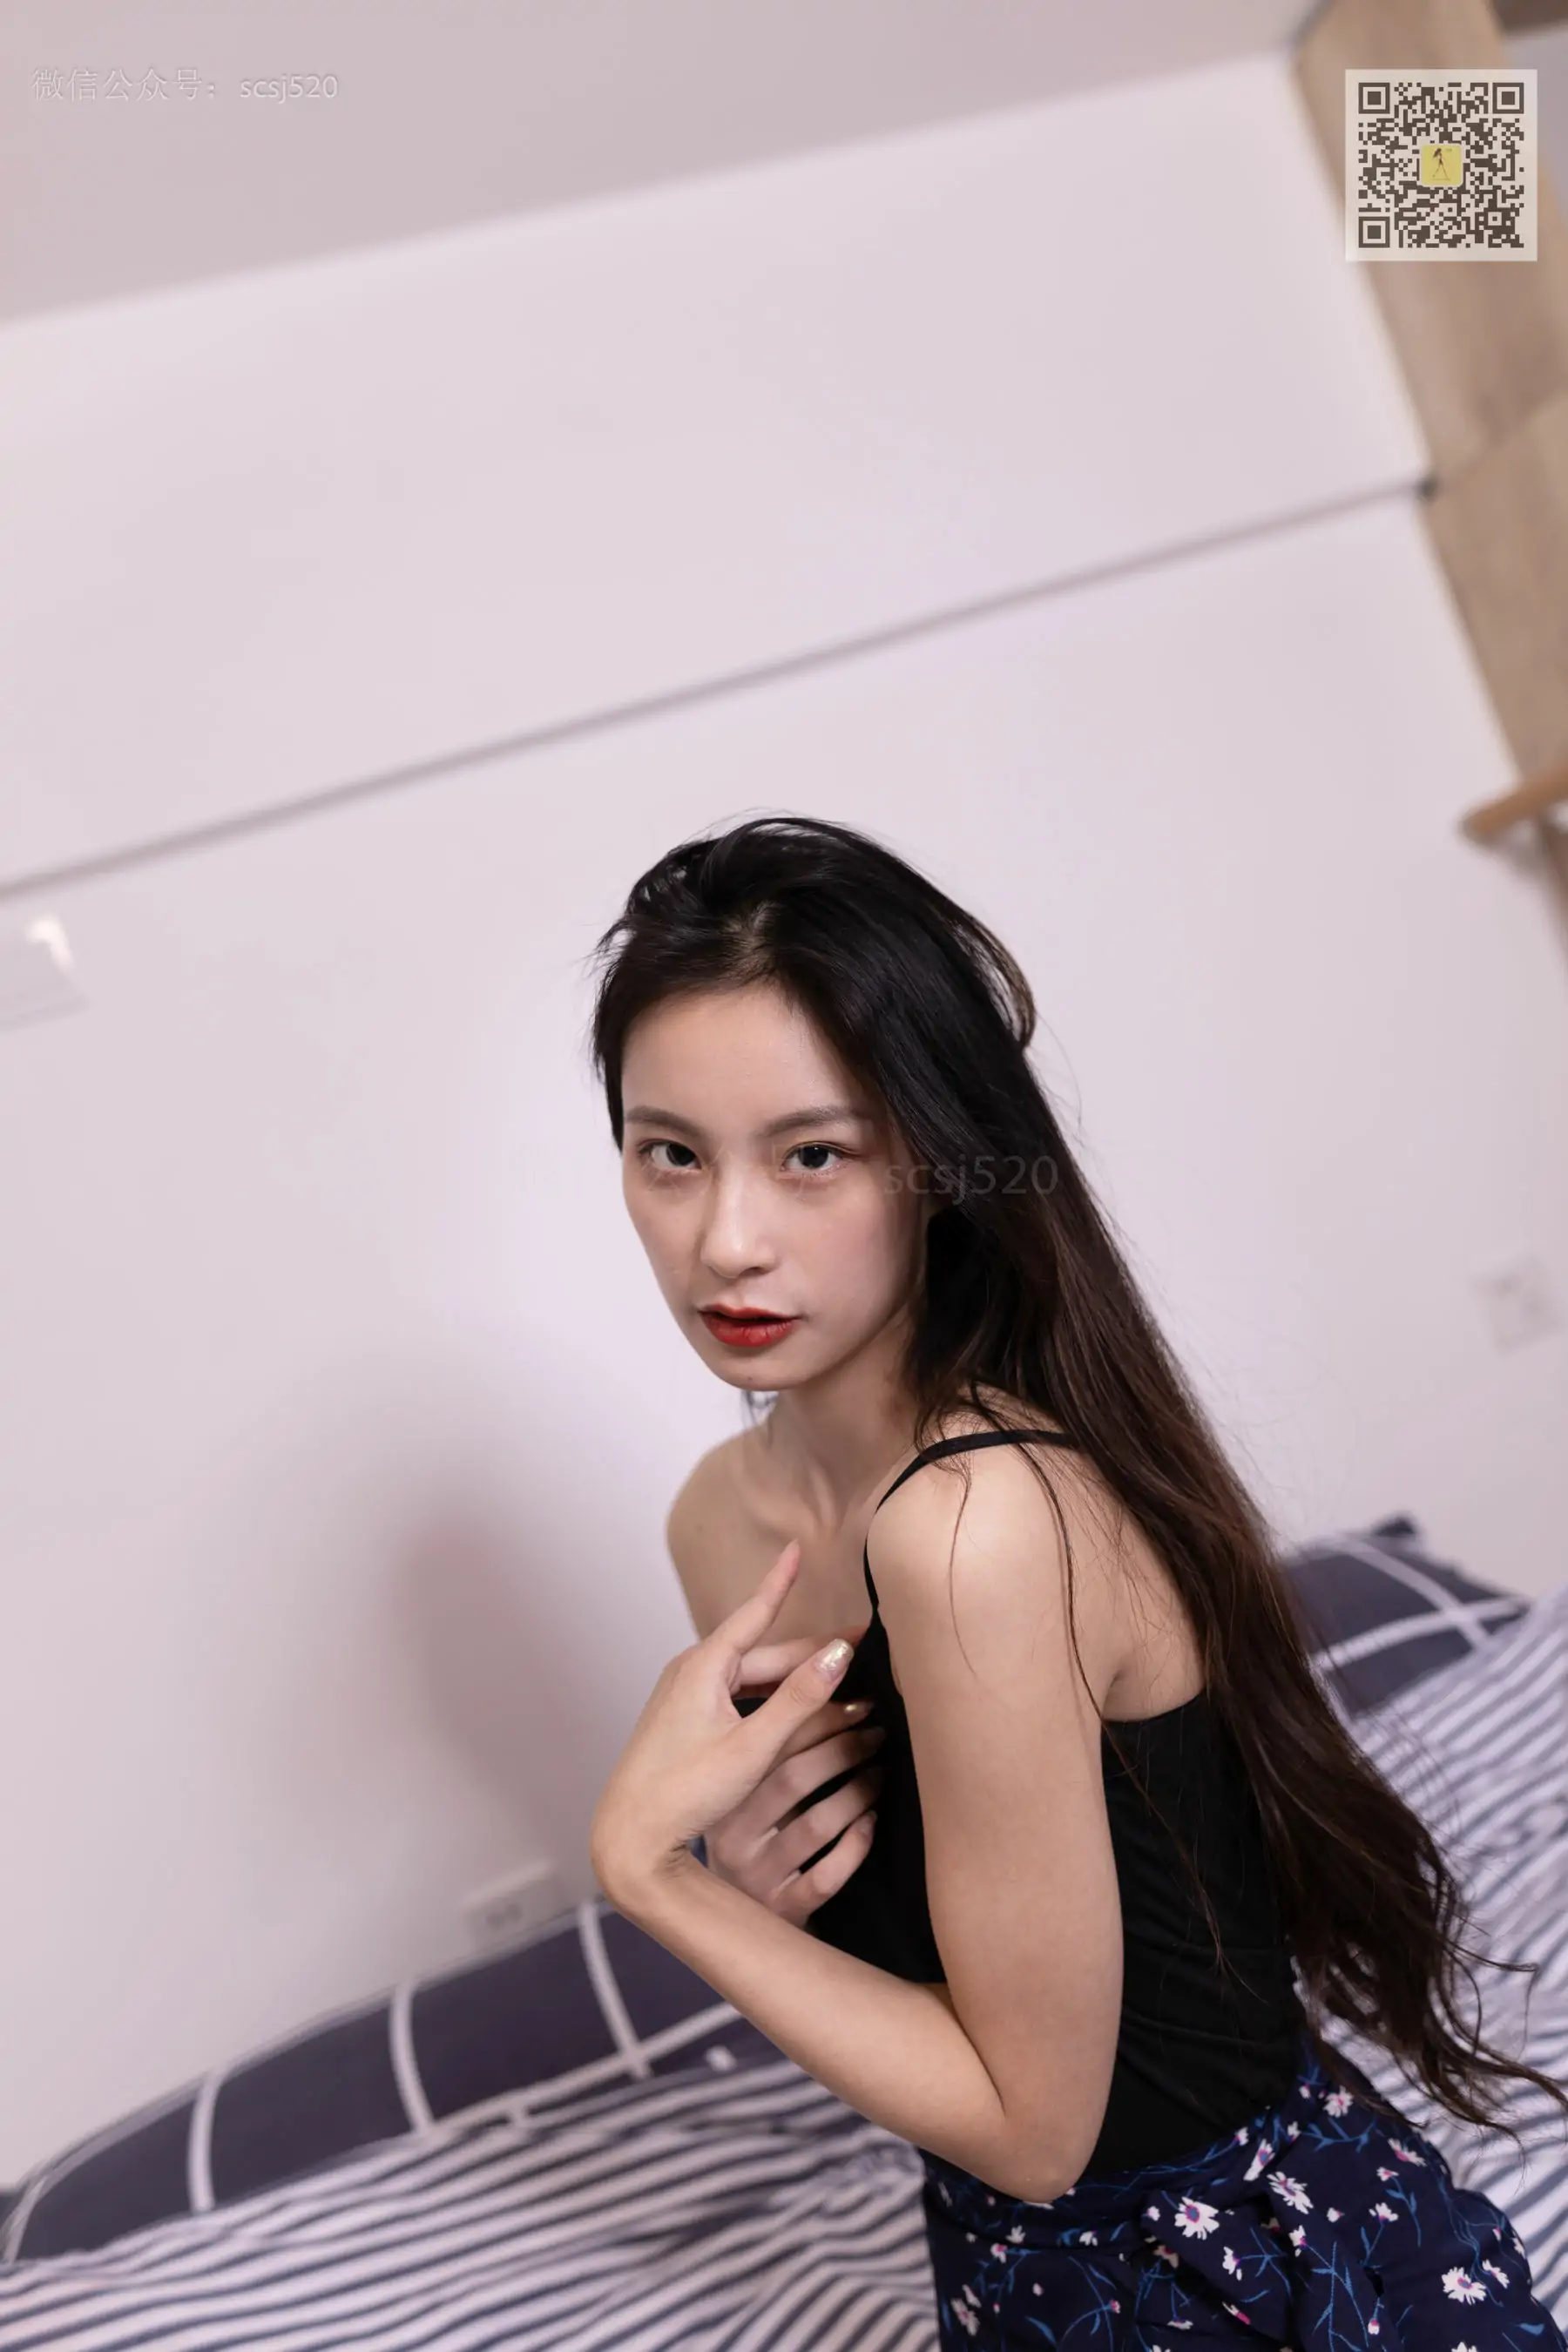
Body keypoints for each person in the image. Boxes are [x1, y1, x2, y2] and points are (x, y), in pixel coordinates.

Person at [585, 813, 1567, 2350]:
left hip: (1253, 2287)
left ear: (940, 1162)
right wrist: (762, 1908)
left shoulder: (976, 1524)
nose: (727, 1242)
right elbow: (945, 2021)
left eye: (813, 1154)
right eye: (671, 1155)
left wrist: (651, 1877)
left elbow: (1036, 2130)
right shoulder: (720, 1524)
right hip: (1011, 2280)